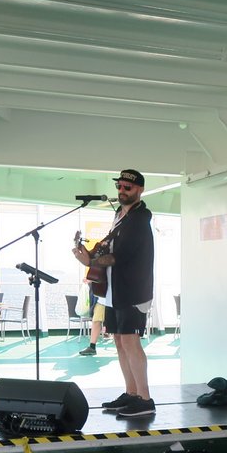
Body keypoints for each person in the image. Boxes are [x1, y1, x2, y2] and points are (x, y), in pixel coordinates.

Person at [72, 169, 155, 416]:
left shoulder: (139, 220)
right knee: (119, 340)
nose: (122, 191)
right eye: (119, 186)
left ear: (140, 190)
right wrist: (90, 254)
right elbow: (110, 247)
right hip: (114, 289)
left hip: (132, 290)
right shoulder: (120, 215)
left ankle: (145, 399)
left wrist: (90, 262)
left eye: (127, 188)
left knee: (130, 340)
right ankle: (131, 393)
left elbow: (120, 256)